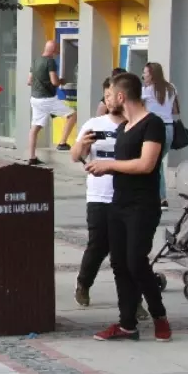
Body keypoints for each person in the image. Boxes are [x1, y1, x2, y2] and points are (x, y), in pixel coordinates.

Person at [86, 72, 171, 342]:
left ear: (122, 96)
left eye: (110, 94)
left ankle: (159, 316)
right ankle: (127, 324)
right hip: (117, 204)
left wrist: (109, 166)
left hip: (142, 206)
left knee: (136, 261)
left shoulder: (152, 124)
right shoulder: (124, 128)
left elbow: (146, 165)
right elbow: (122, 165)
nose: (107, 99)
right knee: (120, 264)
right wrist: (99, 166)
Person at [71, 77, 132, 310]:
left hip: (126, 195)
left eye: (112, 95)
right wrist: (82, 145)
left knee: (125, 251)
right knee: (98, 245)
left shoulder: (134, 124)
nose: (109, 100)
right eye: (105, 96)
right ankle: (84, 283)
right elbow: (75, 156)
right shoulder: (94, 124)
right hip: (98, 194)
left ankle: (132, 301)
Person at [26, 40, 76, 163]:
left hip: (35, 99)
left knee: (34, 128)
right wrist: (62, 81)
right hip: (47, 99)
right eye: (57, 48)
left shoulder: (36, 60)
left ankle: (32, 157)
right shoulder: (50, 62)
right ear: (53, 50)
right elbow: (54, 82)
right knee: (72, 115)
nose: (59, 51)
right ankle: (62, 142)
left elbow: (29, 81)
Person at [141, 62, 179, 209]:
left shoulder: (147, 90)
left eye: (146, 73)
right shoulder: (171, 88)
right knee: (157, 162)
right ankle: (158, 196)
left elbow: (140, 109)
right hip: (169, 128)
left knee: (154, 162)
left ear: (153, 74)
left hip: (153, 128)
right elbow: (175, 110)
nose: (143, 76)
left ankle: (161, 198)